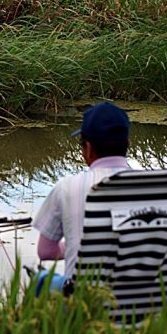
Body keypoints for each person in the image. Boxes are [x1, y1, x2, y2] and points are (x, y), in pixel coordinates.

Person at [32, 101, 132, 276]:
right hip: (150, 297)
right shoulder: (158, 187)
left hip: (83, 296)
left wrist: (72, 245)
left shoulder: (67, 188)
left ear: (88, 148)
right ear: (127, 144)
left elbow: (45, 252)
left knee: (41, 278)